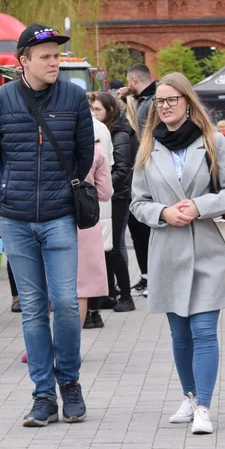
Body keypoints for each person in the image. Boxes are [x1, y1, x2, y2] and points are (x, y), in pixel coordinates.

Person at [0, 23, 95, 426]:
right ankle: (43, 394)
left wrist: (61, 191)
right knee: (32, 308)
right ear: (23, 60)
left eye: (57, 56)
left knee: (64, 303)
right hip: (15, 220)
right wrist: (11, 193)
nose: (54, 63)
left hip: (60, 216)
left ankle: (71, 383)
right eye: (46, 56)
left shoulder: (75, 98)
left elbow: (83, 157)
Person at [129, 72, 225, 435]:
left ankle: (205, 407)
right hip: (167, 250)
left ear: (187, 102)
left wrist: (199, 205)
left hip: (208, 247)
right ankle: (190, 395)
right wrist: (163, 213)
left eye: (171, 100)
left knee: (204, 330)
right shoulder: (149, 145)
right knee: (179, 334)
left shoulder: (212, 141)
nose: (164, 107)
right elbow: (136, 202)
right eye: (160, 102)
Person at [91, 92, 136, 312]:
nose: (94, 113)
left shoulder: (120, 134)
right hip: (107, 195)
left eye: (98, 110)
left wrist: (103, 186)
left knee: (116, 245)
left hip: (118, 196)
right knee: (104, 246)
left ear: (109, 110)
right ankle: (108, 292)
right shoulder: (103, 131)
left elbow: (122, 170)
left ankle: (126, 295)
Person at [123, 63, 157, 295]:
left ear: (134, 80)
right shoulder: (151, 100)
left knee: (141, 227)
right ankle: (148, 276)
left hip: (146, 172)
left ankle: (149, 277)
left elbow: (144, 140)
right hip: (149, 171)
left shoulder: (148, 104)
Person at [77, 143, 113, 329]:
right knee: (81, 288)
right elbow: (106, 192)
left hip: (50, 216)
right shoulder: (95, 149)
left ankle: (38, 346)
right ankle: (70, 348)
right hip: (85, 221)